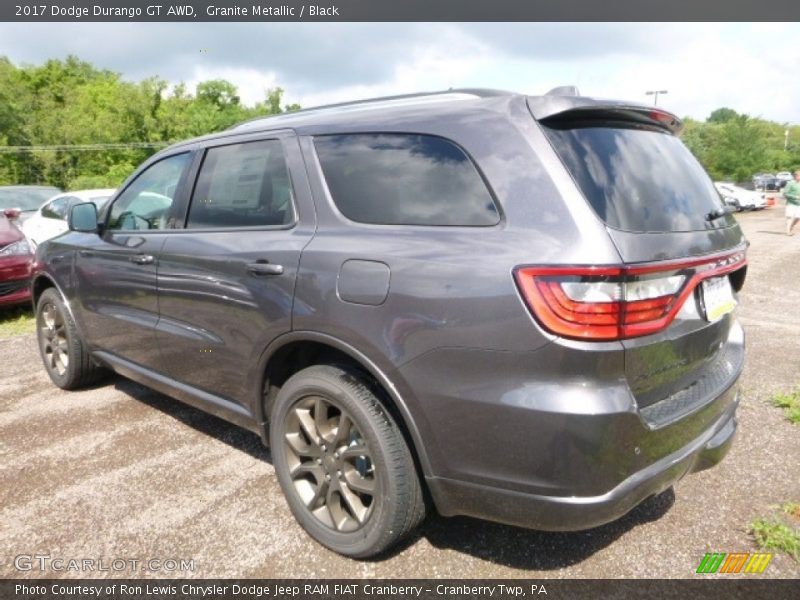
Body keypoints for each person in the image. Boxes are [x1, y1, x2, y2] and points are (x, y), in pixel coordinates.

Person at [784, 170, 800, 236]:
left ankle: (791, 225)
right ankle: (788, 232)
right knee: (789, 217)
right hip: (790, 203)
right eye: (799, 176)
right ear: (795, 176)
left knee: (798, 217)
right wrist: (795, 197)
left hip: (798, 204)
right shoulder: (790, 183)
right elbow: (785, 193)